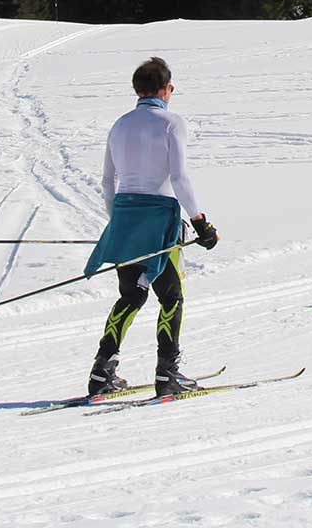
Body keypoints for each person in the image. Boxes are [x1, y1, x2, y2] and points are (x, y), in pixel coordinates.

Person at [84, 56, 221, 399]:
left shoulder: (120, 124)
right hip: (160, 219)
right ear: (164, 88)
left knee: (131, 295)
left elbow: (106, 181)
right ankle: (167, 374)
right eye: (171, 86)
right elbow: (179, 177)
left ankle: (102, 372)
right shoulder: (171, 123)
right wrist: (200, 221)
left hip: (126, 216)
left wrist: (119, 220)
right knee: (171, 296)